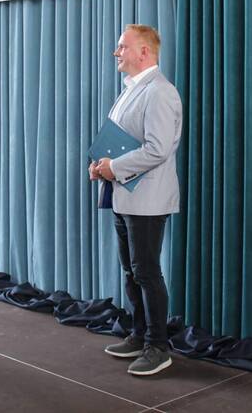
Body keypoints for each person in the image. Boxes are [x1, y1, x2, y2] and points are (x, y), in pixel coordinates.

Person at [89, 24, 182, 377]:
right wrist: (101, 166)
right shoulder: (132, 89)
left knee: (146, 272)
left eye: (122, 47)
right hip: (125, 195)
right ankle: (140, 334)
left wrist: (114, 167)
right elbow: (122, 141)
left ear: (144, 52)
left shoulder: (160, 92)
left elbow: (158, 149)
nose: (117, 52)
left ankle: (158, 347)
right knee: (132, 271)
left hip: (148, 200)